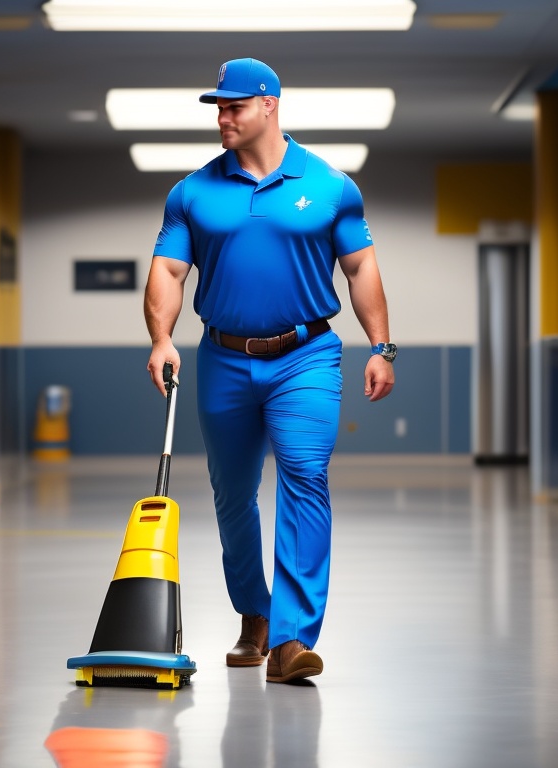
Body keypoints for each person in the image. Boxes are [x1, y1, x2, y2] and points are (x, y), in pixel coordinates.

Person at [143, 57, 396, 684]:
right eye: (218, 108)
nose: (223, 118)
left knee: (305, 477)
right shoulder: (193, 193)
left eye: (234, 106)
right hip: (224, 359)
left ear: (269, 105)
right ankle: (254, 614)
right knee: (232, 494)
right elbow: (168, 271)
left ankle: (291, 639)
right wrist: (161, 339)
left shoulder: (330, 186)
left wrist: (381, 346)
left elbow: (361, 267)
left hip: (307, 356)